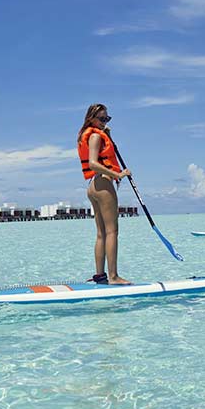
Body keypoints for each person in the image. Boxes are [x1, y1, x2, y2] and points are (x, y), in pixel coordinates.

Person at [78, 103, 131, 284]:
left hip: (93, 185)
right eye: (101, 119)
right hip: (103, 184)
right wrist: (118, 174)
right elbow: (92, 163)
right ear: (91, 119)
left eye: (107, 118)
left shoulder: (96, 135)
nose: (104, 122)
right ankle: (113, 276)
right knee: (112, 232)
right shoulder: (94, 137)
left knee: (101, 233)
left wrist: (107, 134)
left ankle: (100, 276)